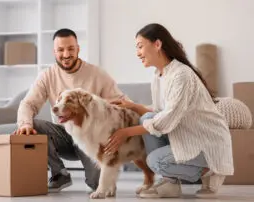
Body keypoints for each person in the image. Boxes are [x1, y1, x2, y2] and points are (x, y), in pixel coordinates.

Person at [104, 23, 234, 198]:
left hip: (206, 144)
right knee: (147, 118)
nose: (138, 53)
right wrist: (132, 106)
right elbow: (159, 112)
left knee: (154, 161)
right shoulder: (159, 75)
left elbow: (166, 120)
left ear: (157, 44)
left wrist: (125, 132)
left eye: (140, 46)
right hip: (188, 138)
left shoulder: (182, 75)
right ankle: (170, 183)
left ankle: (207, 170)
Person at [12, 28, 127, 192]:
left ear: (78, 49)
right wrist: (25, 124)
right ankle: (59, 173)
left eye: (71, 49)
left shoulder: (97, 74)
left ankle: (102, 178)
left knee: (99, 185)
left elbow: (122, 103)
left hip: (91, 138)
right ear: (54, 52)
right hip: (64, 135)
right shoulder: (47, 75)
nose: (66, 54)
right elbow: (28, 104)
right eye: (60, 50)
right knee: (33, 125)